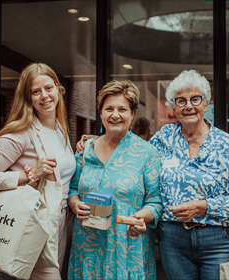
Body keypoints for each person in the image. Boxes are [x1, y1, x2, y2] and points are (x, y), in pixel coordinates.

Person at [76, 70, 229, 280]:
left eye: (195, 99)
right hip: (172, 239)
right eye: (180, 100)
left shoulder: (225, 143)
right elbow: (131, 151)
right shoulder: (164, 138)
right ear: (173, 106)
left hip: (215, 238)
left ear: (206, 104)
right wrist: (101, 139)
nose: (188, 105)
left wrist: (203, 206)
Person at [0, 62, 76, 280]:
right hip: (34, 224)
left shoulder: (60, 129)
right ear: (28, 97)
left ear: (58, 89)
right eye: (36, 91)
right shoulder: (20, 134)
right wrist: (29, 174)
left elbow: (63, 174)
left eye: (48, 88)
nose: (44, 96)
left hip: (59, 222)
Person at [67, 79, 163, 279]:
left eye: (122, 109)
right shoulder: (85, 150)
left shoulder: (146, 153)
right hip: (87, 247)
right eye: (109, 108)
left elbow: (156, 201)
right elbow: (73, 188)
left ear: (132, 113)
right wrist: (75, 204)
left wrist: (141, 218)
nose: (115, 115)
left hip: (127, 249)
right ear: (100, 112)